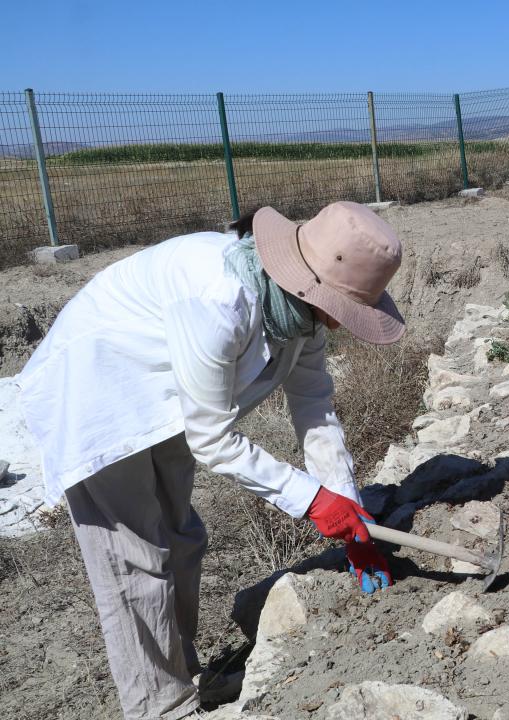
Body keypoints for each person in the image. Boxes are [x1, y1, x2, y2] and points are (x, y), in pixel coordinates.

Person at [17, 200, 403, 720]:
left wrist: (350, 512)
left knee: (181, 538)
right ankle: (161, 706)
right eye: (346, 310)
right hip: (96, 390)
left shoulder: (302, 317)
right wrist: (311, 500)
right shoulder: (219, 301)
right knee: (135, 559)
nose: (342, 326)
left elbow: (313, 407)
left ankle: (184, 674)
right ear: (311, 284)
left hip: (169, 396)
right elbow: (215, 439)